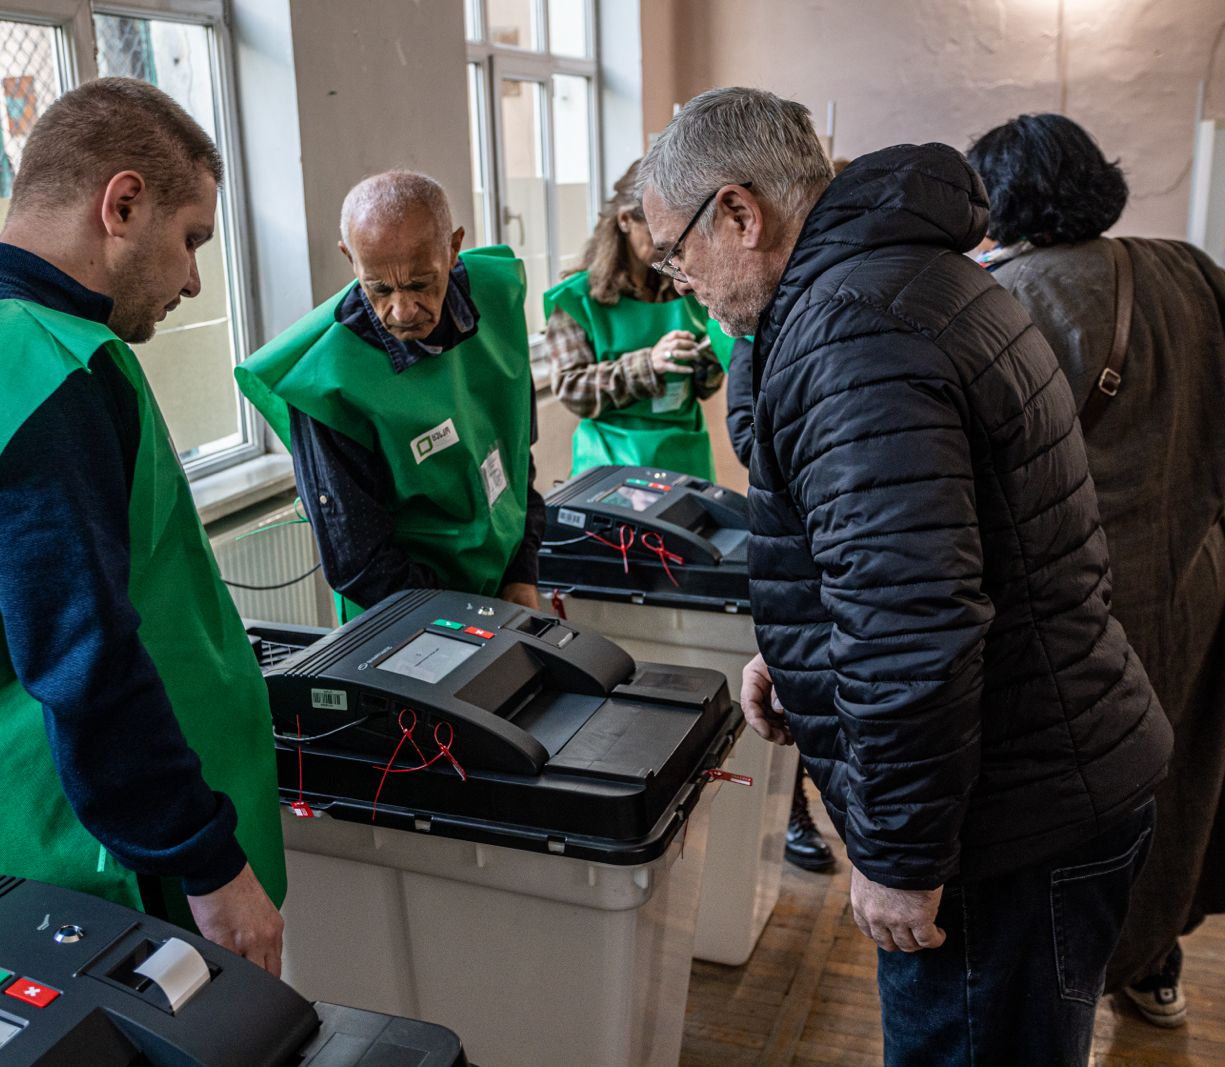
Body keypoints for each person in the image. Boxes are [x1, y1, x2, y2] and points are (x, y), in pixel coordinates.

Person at [641, 87, 1173, 1066]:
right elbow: (887, 552)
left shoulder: (854, 329)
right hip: (1041, 771)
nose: (686, 284)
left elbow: (911, 618)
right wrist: (800, 661)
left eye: (678, 253)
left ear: (739, 212)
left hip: (1005, 819)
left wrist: (899, 856)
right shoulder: (895, 279)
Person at [0, 79, 287, 975]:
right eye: (191, 238)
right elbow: (85, 655)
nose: (195, 280)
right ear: (121, 204)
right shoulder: (48, 368)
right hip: (117, 862)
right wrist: (205, 858)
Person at [968, 114, 1225, 1026]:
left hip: (1069, 604)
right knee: (1180, 775)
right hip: (1191, 580)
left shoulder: (996, 299)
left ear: (996, 197)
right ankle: (1155, 961)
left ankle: (1071, 984)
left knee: (1079, 802)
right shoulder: (1181, 265)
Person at [237, 172, 543, 621]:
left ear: (453, 248)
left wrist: (523, 571)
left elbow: (517, 459)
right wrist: (474, 622)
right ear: (349, 258)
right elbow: (360, 562)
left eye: (421, 283)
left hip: (503, 584)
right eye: (379, 287)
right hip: (405, 614)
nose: (402, 310)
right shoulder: (327, 380)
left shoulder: (496, 299)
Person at [723, 331, 834, 874]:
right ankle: (795, 811)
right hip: (795, 531)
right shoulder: (752, 334)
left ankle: (808, 804)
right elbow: (747, 435)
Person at [541, 160, 726, 478]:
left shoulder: (687, 287)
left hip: (684, 454)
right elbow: (573, 391)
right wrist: (649, 364)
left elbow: (706, 388)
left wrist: (707, 357)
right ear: (626, 220)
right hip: (611, 462)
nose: (671, 245)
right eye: (657, 232)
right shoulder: (577, 300)